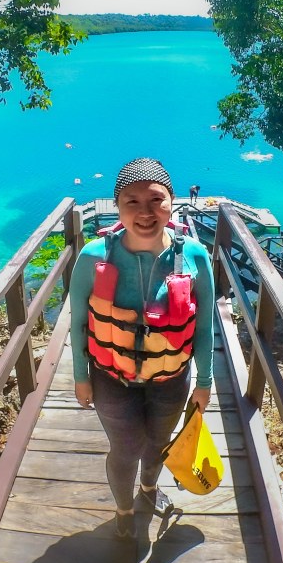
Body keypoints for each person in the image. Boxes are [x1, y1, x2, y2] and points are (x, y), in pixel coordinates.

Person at [70, 159, 215, 538]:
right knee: (125, 448)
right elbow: (78, 322)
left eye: (156, 200)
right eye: (131, 201)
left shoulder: (195, 257)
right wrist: (81, 377)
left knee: (158, 443)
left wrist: (205, 382)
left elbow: (204, 326)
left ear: (172, 202)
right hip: (111, 379)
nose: (145, 212)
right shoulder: (93, 257)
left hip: (171, 379)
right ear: (117, 206)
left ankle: (149, 490)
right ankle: (123, 511)